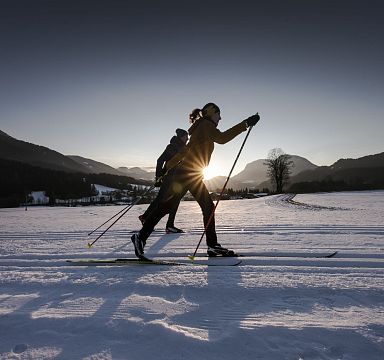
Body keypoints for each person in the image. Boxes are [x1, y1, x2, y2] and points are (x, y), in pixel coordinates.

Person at [131, 102, 260, 258]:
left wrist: (168, 169)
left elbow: (186, 152)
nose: (221, 117)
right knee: (206, 207)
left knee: (170, 206)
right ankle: (212, 245)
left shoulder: (201, 127)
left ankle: (141, 237)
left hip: (189, 174)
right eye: (219, 114)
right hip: (189, 174)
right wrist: (245, 124)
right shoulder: (206, 125)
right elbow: (222, 138)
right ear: (212, 113)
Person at [139, 128, 189, 233]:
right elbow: (160, 160)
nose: (187, 139)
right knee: (168, 200)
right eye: (186, 137)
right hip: (170, 178)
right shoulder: (173, 147)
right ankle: (167, 224)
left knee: (167, 199)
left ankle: (147, 217)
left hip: (177, 178)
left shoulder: (183, 147)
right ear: (181, 137)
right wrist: (158, 177)